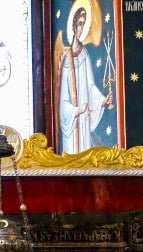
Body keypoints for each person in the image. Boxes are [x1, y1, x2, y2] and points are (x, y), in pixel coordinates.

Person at [55, 4, 112, 154]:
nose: (81, 28)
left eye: (84, 24)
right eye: (80, 23)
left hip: (84, 119)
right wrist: (75, 111)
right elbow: (63, 98)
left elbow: (90, 85)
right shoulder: (66, 57)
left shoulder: (84, 54)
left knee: (85, 154)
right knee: (73, 155)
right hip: (73, 119)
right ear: (74, 26)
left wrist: (102, 101)